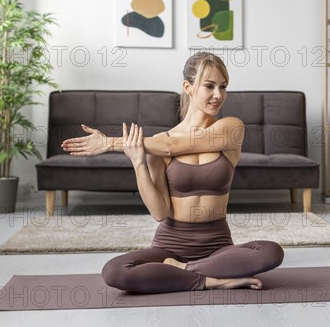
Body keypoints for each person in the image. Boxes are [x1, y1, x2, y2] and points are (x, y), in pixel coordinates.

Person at [61, 52, 284, 293]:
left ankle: (183, 270)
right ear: (188, 87)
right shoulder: (156, 144)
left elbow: (173, 145)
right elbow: (159, 212)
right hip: (170, 246)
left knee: (271, 252)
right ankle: (212, 279)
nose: (218, 95)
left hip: (218, 246)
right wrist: (138, 163)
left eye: (223, 86)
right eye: (209, 86)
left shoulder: (231, 128)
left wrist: (110, 143)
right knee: (115, 271)